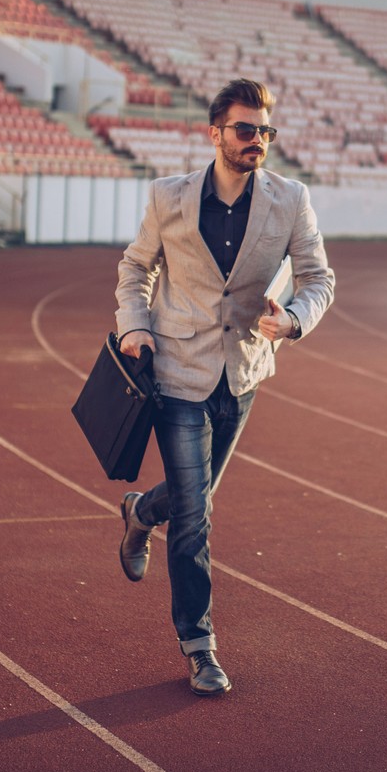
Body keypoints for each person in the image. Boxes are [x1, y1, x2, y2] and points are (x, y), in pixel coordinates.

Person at [113, 78, 335, 696]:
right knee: (197, 513)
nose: (257, 140)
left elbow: (319, 277)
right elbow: (137, 267)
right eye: (245, 129)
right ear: (215, 133)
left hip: (241, 374)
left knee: (193, 495)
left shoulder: (291, 201)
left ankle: (139, 511)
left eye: (266, 131)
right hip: (177, 370)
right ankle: (199, 643)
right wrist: (134, 327)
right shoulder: (169, 197)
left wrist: (292, 320)